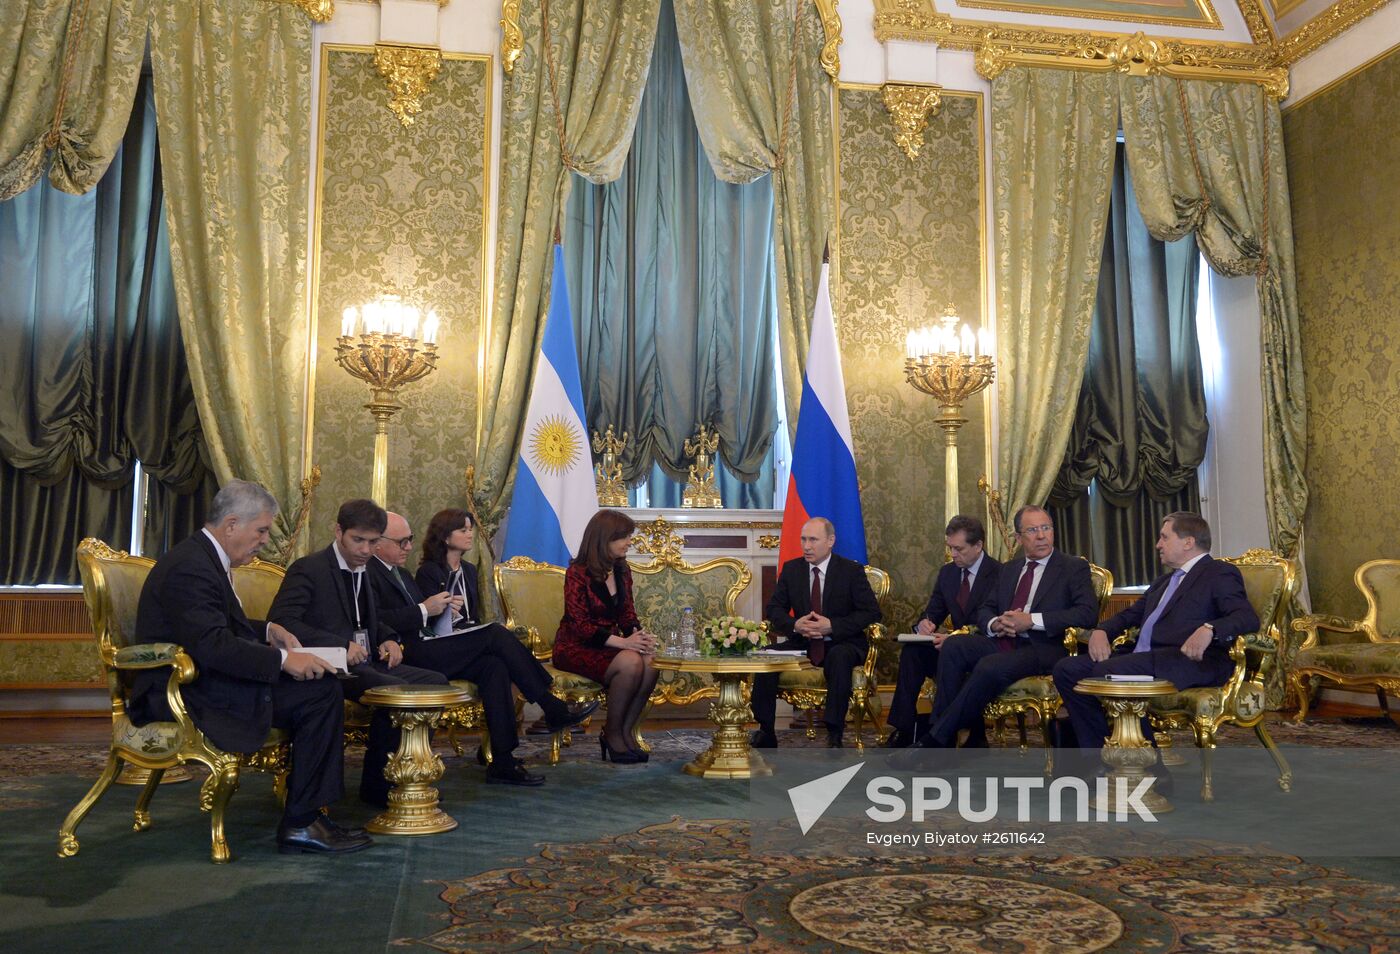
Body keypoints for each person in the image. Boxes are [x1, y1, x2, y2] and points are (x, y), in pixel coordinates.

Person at [129, 480, 370, 854]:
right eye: (260, 531)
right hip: (180, 691)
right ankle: (303, 822)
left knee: (321, 687)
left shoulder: (204, 558)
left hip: (204, 677)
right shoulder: (191, 567)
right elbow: (213, 646)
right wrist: (286, 660)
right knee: (320, 694)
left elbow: (220, 630)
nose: (263, 541)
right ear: (231, 525)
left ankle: (308, 817)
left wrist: (272, 630)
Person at [375, 508, 596, 784]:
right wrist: (426, 609)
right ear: (378, 542)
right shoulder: (375, 572)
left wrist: (442, 614)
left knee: (495, 666)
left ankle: (502, 761)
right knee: (495, 634)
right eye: (401, 542)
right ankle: (551, 705)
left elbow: (432, 616)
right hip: (411, 652)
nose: (408, 546)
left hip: (432, 642)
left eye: (410, 540)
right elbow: (378, 620)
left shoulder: (402, 574)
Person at [269, 498, 448, 809]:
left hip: (365, 661)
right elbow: (284, 621)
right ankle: (381, 785)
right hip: (327, 664)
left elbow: (372, 618)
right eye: (358, 540)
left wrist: (389, 639)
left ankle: (407, 776)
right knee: (395, 691)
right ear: (338, 531)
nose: (366, 549)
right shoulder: (309, 569)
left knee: (434, 682)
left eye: (373, 541)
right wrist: (341, 644)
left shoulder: (363, 569)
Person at [1053, 512, 1258, 751]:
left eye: (1164, 537)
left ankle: (1150, 766)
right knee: (1067, 669)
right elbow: (1130, 615)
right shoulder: (1164, 582)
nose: (1158, 544)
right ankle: (1097, 753)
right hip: (1144, 657)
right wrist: (1101, 631)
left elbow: (1246, 617)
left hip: (1187, 660)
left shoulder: (1218, 572)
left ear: (1188, 542)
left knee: (1109, 670)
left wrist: (1210, 629)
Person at [913, 505, 1097, 749]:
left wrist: (1032, 620)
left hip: (1044, 646)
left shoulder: (1073, 567)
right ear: (1019, 538)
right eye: (1032, 530)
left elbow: (1087, 613)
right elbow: (985, 608)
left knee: (989, 665)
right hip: (1003, 640)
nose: (1041, 536)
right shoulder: (1010, 569)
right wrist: (994, 623)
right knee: (955, 645)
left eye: (1046, 528)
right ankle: (950, 739)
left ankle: (935, 740)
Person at [750, 517, 882, 749]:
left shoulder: (850, 571)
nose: (806, 546)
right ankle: (766, 730)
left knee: (839, 657)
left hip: (841, 641)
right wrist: (795, 624)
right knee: (766, 656)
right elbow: (774, 609)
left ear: (830, 541)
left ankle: (834, 732)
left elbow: (871, 612)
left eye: (813, 539)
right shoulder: (792, 569)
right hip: (803, 642)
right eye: (803, 539)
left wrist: (832, 626)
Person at [884, 515, 1002, 748]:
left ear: (978, 546)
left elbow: (996, 622)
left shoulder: (1000, 573)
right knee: (913, 652)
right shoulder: (948, 573)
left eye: (959, 549)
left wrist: (956, 638)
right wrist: (924, 624)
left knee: (952, 651)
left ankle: (944, 737)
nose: (953, 554)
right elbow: (932, 611)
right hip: (950, 647)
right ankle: (905, 728)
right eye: (950, 548)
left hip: (986, 650)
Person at [553, 509, 658, 764]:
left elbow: (627, 615)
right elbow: (581, 626)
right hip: (575, 647)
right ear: (604, 539)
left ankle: (626, 732)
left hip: (608, 645)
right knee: (631, 662)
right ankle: (612, 733)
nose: (629, 542)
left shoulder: (622, 570)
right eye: (623, 537)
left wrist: (638, 637)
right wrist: (624, 643)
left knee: (650, 661)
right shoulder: (577, 573)